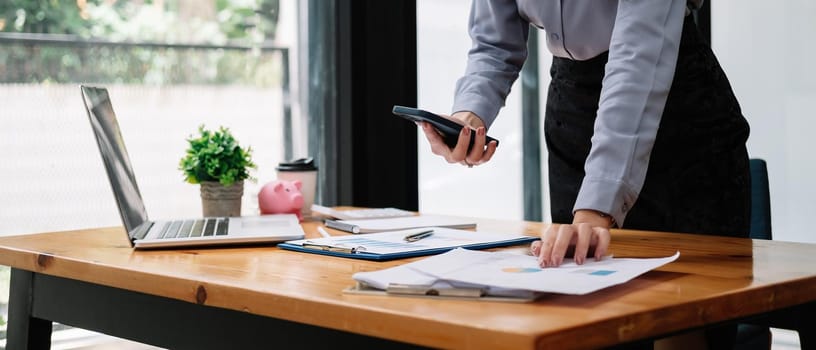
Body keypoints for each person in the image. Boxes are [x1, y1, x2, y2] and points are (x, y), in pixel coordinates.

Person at [418, 1, 750, 348]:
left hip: (676, 115)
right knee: (585, 315)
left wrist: (596, 208)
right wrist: (470, 115)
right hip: (571, 111)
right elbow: (493, 43)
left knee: (680, 322)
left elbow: (638, 56)